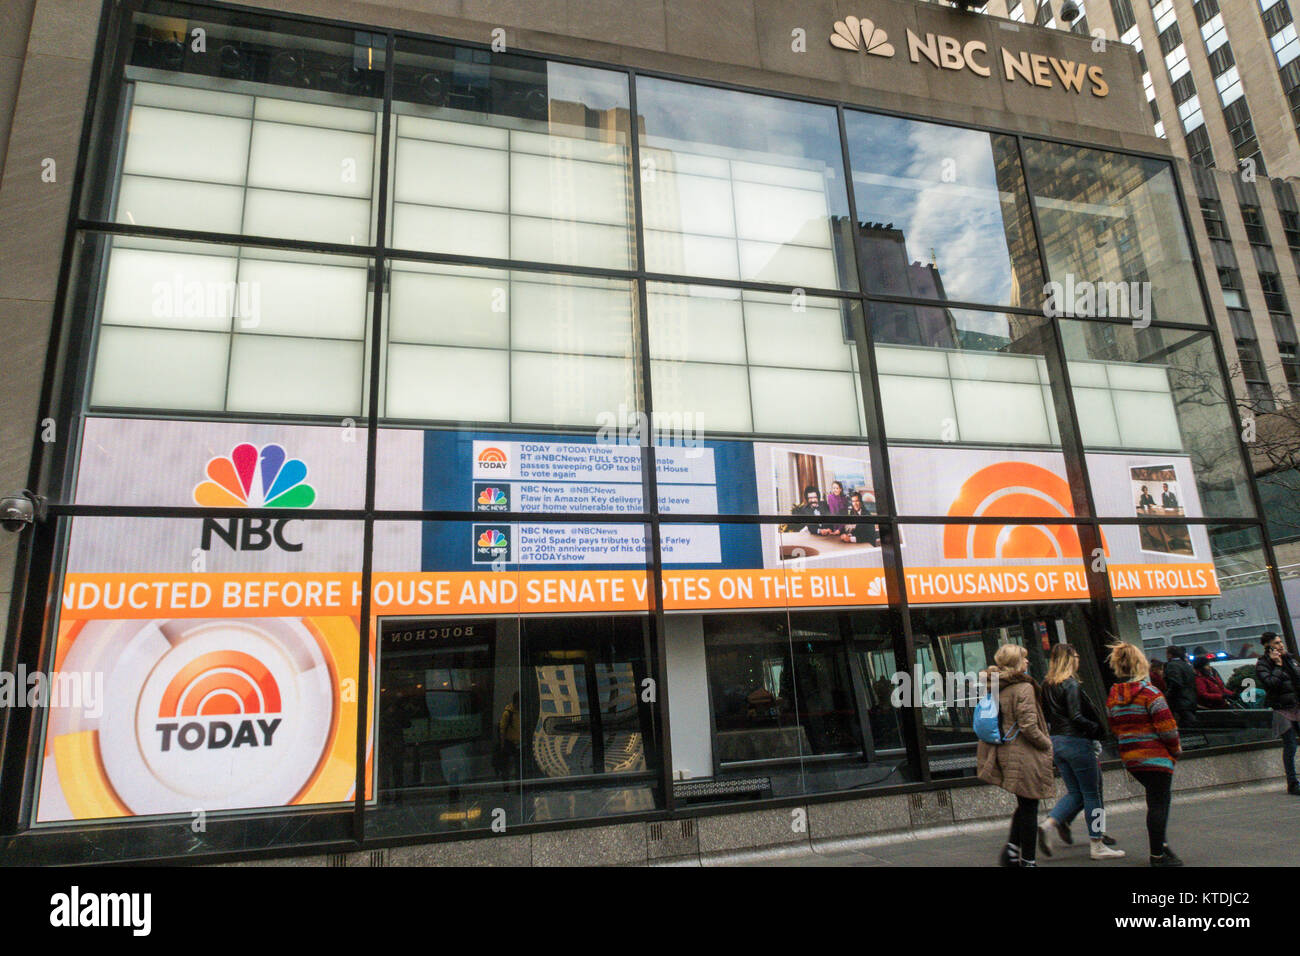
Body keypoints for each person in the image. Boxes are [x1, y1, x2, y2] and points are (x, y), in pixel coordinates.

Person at [1038, 644, 1125, 860]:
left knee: (1075, 792)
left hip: (1057, 742)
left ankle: (1048, 824)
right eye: (1076, 656)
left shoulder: (1046, 685)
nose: (1078, 659)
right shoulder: (1070, 684)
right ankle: (1097, 843)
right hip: (1077, 742)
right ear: (1069, 659)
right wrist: (1097, 729)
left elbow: (1049, 717)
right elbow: (1076, 716)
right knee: (1091, 793)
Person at [976, 644, 1055, 868]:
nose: (1028, 662)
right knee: (1030, 805)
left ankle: (1011, 851)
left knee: (1024, 803)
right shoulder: (1023, 688)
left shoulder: (996, 685)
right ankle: (1027, 860)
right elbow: (1029, 725)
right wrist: (1047, 743)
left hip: (1005, 749)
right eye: (1024, 658)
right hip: (1024, 753)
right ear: (1016, 662)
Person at [1106, 642, 1183, 867]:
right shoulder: (1151, 693)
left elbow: (1114, 726)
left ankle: (1163, 847)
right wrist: (1175, 750)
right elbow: (1167, 728)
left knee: (1154, 801)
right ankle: (1157, 855)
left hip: (1132, 757)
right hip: (1156, 756)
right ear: (1141, 663)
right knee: (1159, 804)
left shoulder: (1113, 695)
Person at [1256, 631, 1300, 795]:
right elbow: (1270, 683)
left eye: (1281, 642)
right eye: (1277, 643)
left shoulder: (1290, 658)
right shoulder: (1263, 664)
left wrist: (1286, 662)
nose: (1281, 646)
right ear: (1268, 646)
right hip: (1282, 708)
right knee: (1290, 745)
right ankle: (1292, 782)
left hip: (1297, 705)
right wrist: (1278, 665)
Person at [1162, 646, 1197, 727]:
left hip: (1180, 701)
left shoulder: (1172, 665)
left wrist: (1167, 695)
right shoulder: (1186, 665)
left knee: (1186, 725)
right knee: (1190, 724)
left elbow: (1175, 683)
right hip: (1191, 699)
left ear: (1170, 655)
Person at [498, 691, 521, 779]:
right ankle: (506, 785)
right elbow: (502, 729)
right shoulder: (507, 713)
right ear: (515, 702)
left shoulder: (520, 712)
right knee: (507, 767)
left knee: (517, 767)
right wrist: (502, 744)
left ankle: (517, 784)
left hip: (518, 743)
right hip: (509, 743)